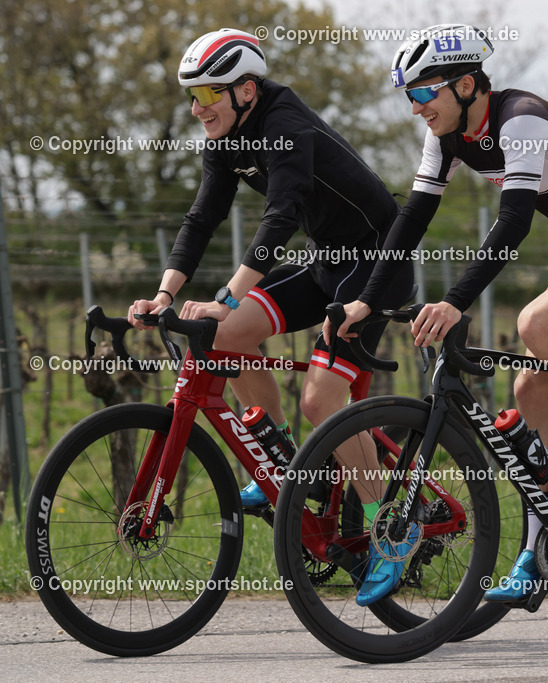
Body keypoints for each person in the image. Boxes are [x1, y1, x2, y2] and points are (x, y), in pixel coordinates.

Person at [334, 24, 548, 606]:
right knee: (529, 389)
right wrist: (367, 298)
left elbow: (514, 220)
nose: (416, 107)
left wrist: (454, 301)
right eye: (409, 96)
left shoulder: (520, 117)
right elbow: (412, 217)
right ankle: (545, 544)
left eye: (424, 93)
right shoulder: (446, 134)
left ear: (466, 84)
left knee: (536, 325)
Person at [129, 28, 413, 520]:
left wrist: (229, 295)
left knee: (320, 403)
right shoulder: (224, 136)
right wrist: (163, 295)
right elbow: (201, 219)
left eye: (205, 94)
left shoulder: (285, 123)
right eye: (190, 96)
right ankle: (280, 461)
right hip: (328, 260)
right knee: (225, 333)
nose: (195, 109)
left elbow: (281, 215)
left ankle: (386, 524)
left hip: (374, 269)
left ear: (245, 90)